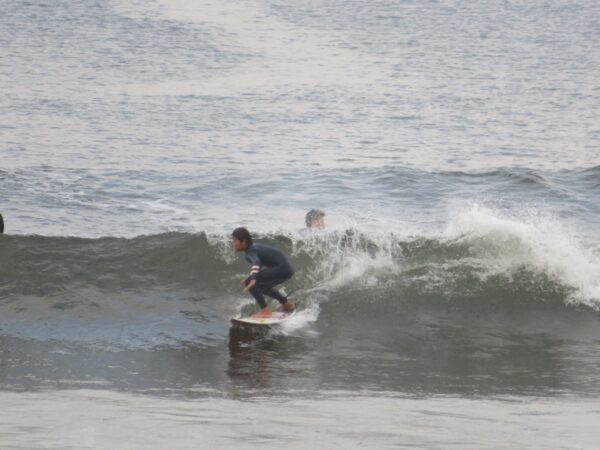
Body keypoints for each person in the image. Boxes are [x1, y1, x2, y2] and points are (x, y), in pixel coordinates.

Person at [232, 227, 295, 318]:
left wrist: (253, 279)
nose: (233, 244)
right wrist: (252, 276)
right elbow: (259, 264)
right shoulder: (255, 247)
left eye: (235, 241)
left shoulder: (250, 251)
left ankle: (265, 311)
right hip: (286, 268)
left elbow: (257, 262)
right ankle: (287, 304)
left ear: (244, 241)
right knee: (263, 287)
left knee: (250, 282)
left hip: (281, 268)